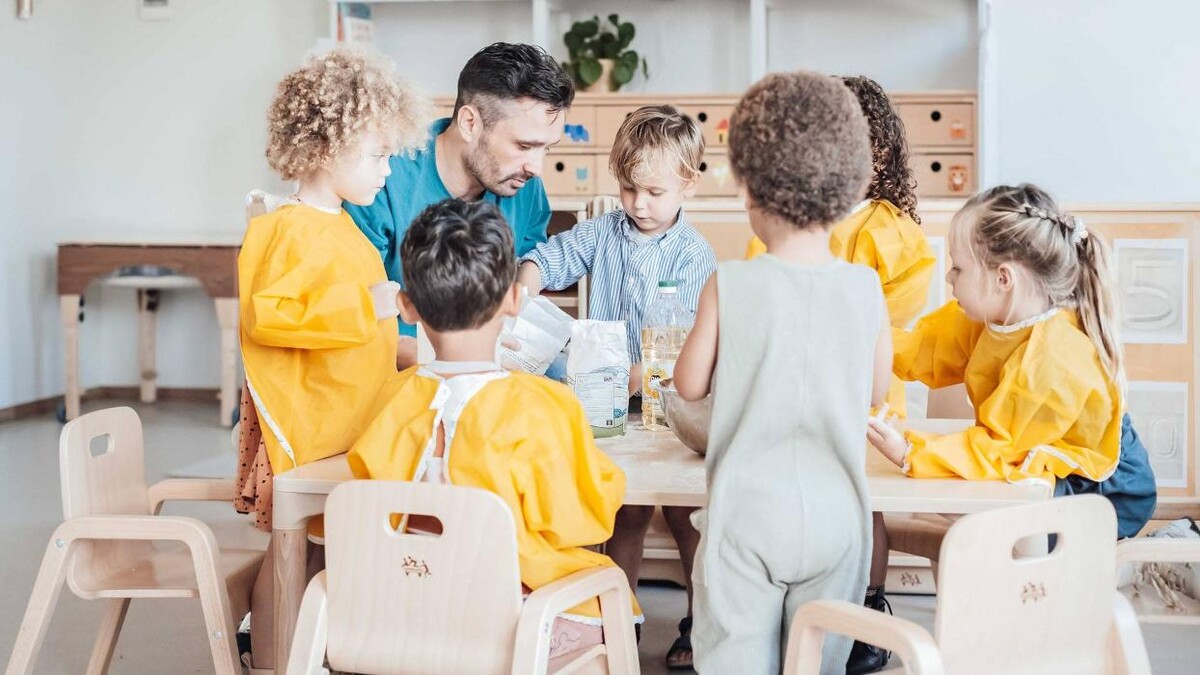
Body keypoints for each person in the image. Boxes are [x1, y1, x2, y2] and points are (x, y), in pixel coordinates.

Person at [348, 198, 642, 664]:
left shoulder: (388, 398)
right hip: (507, 620)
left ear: (406, 306)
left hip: (403, 606)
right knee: (615, 607)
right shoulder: (543, 406)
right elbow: (583, 520)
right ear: (514, 300)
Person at [673, 71, 890, 674]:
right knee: (815, 663)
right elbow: (876, 391)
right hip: (838, 519)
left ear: (749, 188)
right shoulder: (865, 288)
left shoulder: (731, 281)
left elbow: (689, 387)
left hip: (745, 516)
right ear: (848, 190)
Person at [233, 48, 430, 669]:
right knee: (299, 552)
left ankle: (317, 648)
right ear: (324, 149)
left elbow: (359, 332)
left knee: (327, 549)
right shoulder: (287, 228)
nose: (388, 169)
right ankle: (272, 656)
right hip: (310, 427)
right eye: (377, 155)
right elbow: (271, 317)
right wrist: (370, 304)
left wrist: (407, 349)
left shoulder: (347, 227)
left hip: (348, 417)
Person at [744, 74, 937, 674]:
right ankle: (802, 603)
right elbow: (762, 290)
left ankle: (869, 608)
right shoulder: (781, 222)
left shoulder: (887, 229)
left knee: (863, 501)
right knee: (798, 494)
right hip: (789, 391)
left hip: (865, 397)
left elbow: (894, 311)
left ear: (872, 151)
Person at [517, 103, 716, 670]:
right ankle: (616, 620)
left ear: (689, 185)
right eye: (629, 190)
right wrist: (526, 285)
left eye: (654, 192)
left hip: (672, 412)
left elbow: (698, 342)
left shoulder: (695, 255)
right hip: (606, 413)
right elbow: (549, 258)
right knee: (620, 512)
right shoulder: (601, 234)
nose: (638, 204)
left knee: (684, 515)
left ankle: (700, 622)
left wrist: (641, 374)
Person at [869, 183, 1157, 541]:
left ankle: (1038, 585)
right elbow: (926, 349)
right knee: (969, 496)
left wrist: (910, 451)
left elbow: (1002, 449)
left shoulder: (1055, 358)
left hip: (1097, 488)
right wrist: (869, 336)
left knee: (985, 503)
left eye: (958, 268)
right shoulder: (987, 317)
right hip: (1024, 446)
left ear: (1002, 278)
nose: (949, 278)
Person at [345, 42, 575, 368]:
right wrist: (455, 361)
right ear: (469, 123)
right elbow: (348, 320)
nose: (536, 168)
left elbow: (519, 289)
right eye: (524, 145)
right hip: (394, 374)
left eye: (546, 149)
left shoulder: (526, 188)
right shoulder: (380, 179)